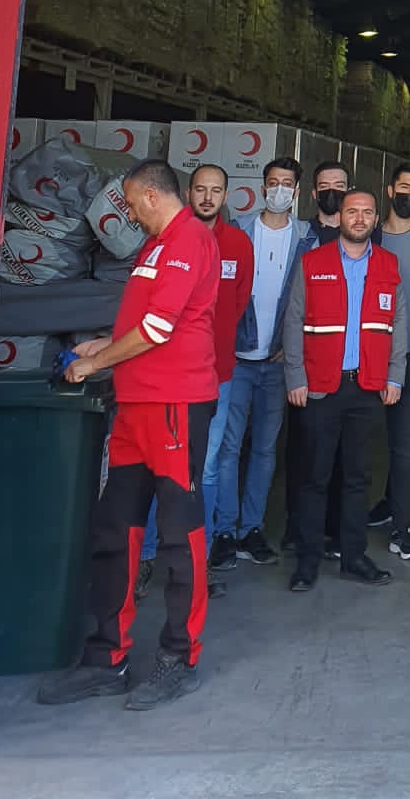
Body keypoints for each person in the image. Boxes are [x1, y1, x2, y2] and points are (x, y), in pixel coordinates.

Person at [36, 159, 219, 710]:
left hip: (174, 404)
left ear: (151, 195)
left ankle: (179, 657)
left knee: (179, 534)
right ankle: (105, 657)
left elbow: (160, 328)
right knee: (117, 529)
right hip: (136, 406)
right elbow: (141, 320)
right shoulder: (156, 245)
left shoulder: (188, 240)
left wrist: (95, 365)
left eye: (134, 205)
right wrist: (102, 345)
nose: (131, 215)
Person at [282, 187, 406, 593]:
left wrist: (395, 376)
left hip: (367, 387)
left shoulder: (388, 264)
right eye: (352, 211)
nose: (359, 218)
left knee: (357, 478)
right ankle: (307, 562)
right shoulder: (312, 261)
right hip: (320, 386)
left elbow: (398, 323)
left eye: (367, 212)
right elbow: (293, 319)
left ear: (375, 219)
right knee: (314, 477)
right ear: (340, 216)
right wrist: (295, 376)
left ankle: (354, 557)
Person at [134, 164, 251, 594]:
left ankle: (197, 565)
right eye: (200, 189)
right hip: (167, 377)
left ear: (226, 196)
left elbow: (238, 303)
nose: (207, 197)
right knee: (160, 469)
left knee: (206, 470)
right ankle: (147, 556)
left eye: (215, 191)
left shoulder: (237, 244)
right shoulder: (161, 241)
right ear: (188, 192)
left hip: (218, 374)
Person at [213, 155, 313, 570]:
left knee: (265, 449)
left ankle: (251, 528)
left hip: (276, 361)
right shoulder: (239, 231)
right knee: (228, 447)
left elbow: (308, 302)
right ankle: (224, 529)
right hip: (236, 359)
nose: (279, 190)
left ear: (297, 192)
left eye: (286, 184)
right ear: (261, 187)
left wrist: (292, 346)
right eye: (273, 182)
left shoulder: (306, 239)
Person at [366, 160, 410, 560]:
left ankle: (402, 527)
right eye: (404, 187)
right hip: (366, 353)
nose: (409, 194)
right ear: (390, 190)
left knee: (404, 446)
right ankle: (343, 527)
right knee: (356, 442)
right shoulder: (367, 237)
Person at [284, 159, 353, 550]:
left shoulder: (364, 237)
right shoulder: (301, 237)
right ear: (312, 194)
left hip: (348, 364)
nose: (332, 193)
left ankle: (334, 531)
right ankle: (298, 530)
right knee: (304, 452)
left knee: (344, 454)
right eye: (325, 186)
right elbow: (290, 305)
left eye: (339, 186)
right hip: (307, 365)